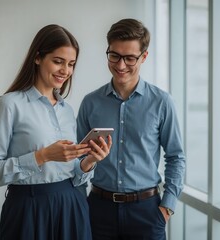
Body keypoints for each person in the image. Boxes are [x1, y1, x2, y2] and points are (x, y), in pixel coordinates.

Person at [0, 24, 112, 240]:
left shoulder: (66, 110)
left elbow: (73, 175)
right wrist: (43, 156)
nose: (65, 71)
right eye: (58, 61)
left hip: (72, 205)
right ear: (38, 57)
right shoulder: (9, 105)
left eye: (71, 64)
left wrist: (89, 162)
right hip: (28, 209)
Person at [76, 18, 186, 240]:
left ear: (144, 56)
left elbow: (176, 157)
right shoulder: (90, 103)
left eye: (130, 58)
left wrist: (167, 207)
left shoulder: (162, 102)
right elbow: (77, 160)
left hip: (147, 212)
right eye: (114, 55)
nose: (120, 65)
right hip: (99, 210)